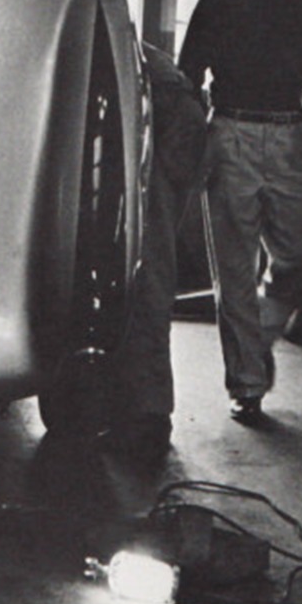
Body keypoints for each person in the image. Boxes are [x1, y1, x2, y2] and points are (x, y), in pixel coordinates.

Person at [176, 0, 302, 424]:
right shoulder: (218, 2)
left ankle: (258, 335)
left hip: (291, 137)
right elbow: (187, 79)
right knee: (234, 268)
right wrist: (197, 140)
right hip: (231, 134)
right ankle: (247, 383)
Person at [99, 41, 207, 461]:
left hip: (164, 123)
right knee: (142, 267)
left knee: (143, 270)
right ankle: (140, 411)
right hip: (168, 120)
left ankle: (147, 417)